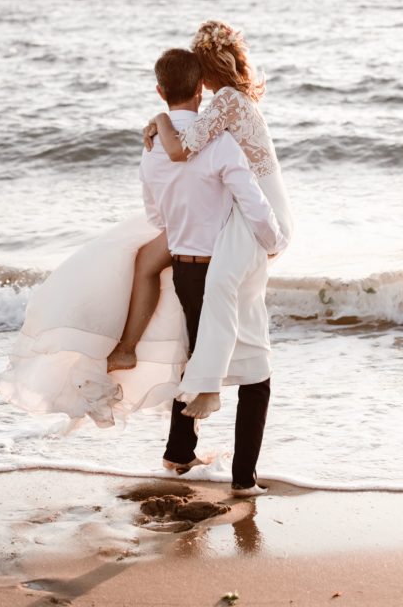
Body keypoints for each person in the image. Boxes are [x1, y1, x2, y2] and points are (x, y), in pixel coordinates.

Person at [107, 20, 293, 419]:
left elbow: (180, 151)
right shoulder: (233, 100)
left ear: (205, 71)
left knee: (221, 284)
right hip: (250, 207)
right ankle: (168, 370)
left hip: (261, 210)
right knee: (185, 272)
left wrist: (160, 118)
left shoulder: (226, 101)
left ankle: (207, 387)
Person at [140, 47, 287, 495]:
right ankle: (244, 479)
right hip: (222, 268)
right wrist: (274, 242)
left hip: (185, 271)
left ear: (161, 91)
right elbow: (252, 202)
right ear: (201, 89)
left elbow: (155, 217)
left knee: (196, 355)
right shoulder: (220, 144)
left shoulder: (150, 151)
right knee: (256, 372)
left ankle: (179, 453)